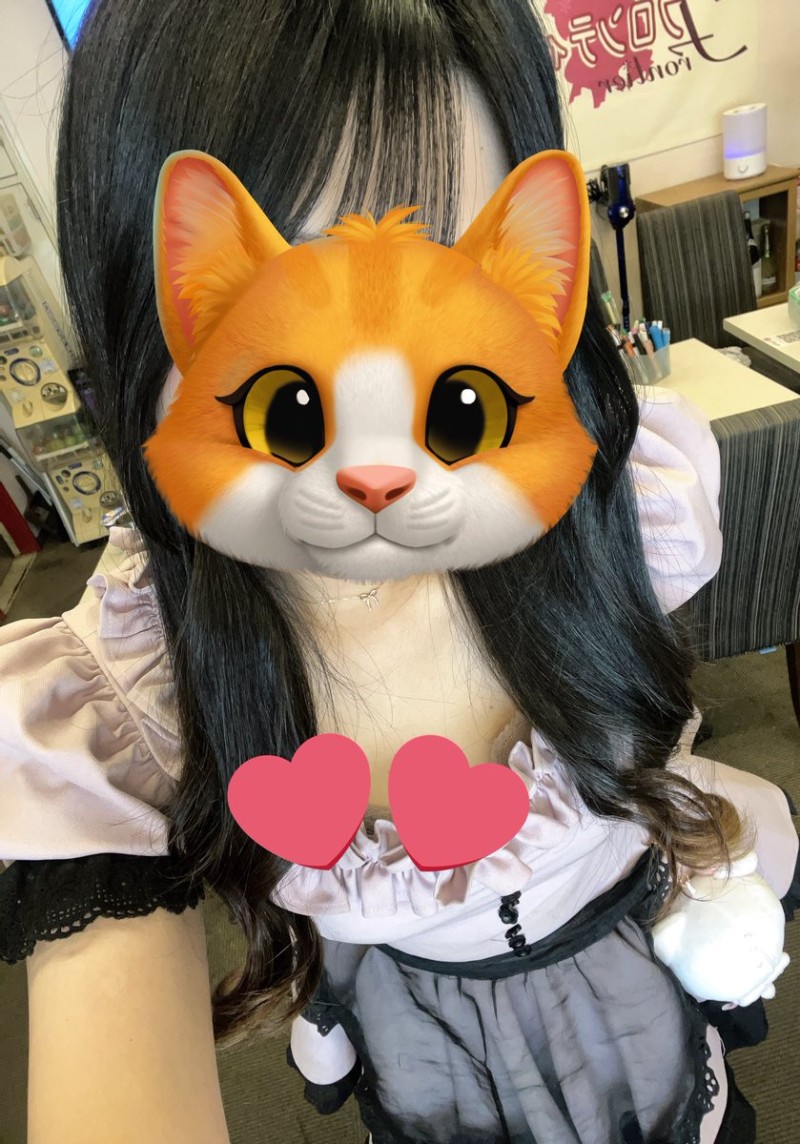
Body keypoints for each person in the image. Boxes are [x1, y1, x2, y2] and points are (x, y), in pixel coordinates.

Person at [0, 2, 797, 1142]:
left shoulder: (617, 504)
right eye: (291, 382)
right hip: (429, 1053)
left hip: (639, 1013)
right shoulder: (127, 683)